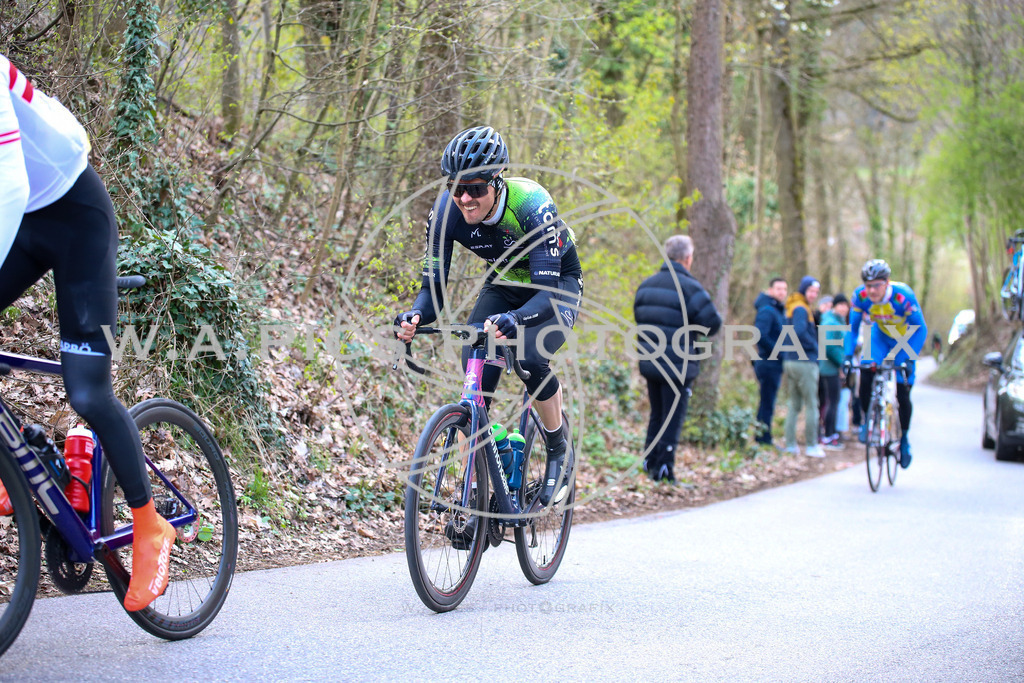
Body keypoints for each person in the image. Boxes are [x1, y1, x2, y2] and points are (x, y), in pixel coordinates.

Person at [0, 53, 174, 610]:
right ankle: (29, 468)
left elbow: (6, 192)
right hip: (25, 220)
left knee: (86, 390)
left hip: (77, 222)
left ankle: (150, 525)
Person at [395, 126, 583, 506]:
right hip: (505, 282)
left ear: (498, 182)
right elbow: (433, 286)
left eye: (476, 188)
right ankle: (478, 488)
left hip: (556, 285)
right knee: (474, 366)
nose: (465, 198)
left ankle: (558, 447)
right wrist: (415, 314)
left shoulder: (531, 204)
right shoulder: (446, 211)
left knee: (529, 357)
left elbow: (546, 294)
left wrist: (516, 319)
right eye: (457, 187)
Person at [634, 235, 722, 483]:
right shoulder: (689, 287)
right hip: (678, 365)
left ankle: (650, 462)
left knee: (657, 413)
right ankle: (664, 469)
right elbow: (712, 322)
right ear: (687, 258)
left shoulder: (646, 285)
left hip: (651, 362)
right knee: (672, 417)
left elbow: (641, 318)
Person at [843, 259, 927, 468]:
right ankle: (866, 420)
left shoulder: (903, 296)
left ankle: (905, 439)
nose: (871, 290)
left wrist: (908, 359)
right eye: (868, 285)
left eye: (876, 285)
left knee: (903, 389)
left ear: (887, 283)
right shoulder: (860, 296)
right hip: (878, 338)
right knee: (865, 371)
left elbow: (920, 329)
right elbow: (853, 330)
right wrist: (847, 356)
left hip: (904, 340)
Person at [782, 276, 825, 457]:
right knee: (811, 404)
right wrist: (814, 347)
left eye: (816, 292)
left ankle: (790, 444)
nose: (814, 295)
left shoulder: (793, 305)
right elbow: (798, 332)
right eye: (811, 291)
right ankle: (811, 445)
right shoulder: (800, 308)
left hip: (790, 360)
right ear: (803, 290)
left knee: (794, 404)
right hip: (804, 361)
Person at [752, 277, 787, 446]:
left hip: (774, 363)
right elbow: (760, 335)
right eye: (778, 289)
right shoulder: (767, 310)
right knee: (766, 402)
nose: (782, 292)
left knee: (768, 402)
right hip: (767, 363)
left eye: (784, 289)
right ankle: (763, 439)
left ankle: (764, 436)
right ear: (770, 290)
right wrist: (779, 351)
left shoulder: (777, 310)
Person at [818, 293, 849, 447]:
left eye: (846, 305)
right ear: (834, 306)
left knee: (832, 401)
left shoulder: (837, 321)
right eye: (840, 305)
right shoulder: (830, 322)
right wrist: (841, 364)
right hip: (830, 367)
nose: (844, 308)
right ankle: (829, 436)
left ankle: (830, 434)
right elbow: (830, 346)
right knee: (833, 402)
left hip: (831, 366)